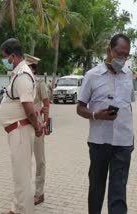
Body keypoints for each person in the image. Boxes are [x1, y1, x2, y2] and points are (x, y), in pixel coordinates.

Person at [77, 33, 134, 214]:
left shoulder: (128, 76)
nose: (122, 59)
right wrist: (96, 114)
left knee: (118, 190)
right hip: (99, 142)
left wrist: (131, 137)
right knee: (96, 187)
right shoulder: (92, 76)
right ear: (108, 50)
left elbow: (128, 106)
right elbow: (80, 108)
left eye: (126, 55)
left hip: (123, 143)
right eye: (119, 53)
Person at [0, 38, 43, 214]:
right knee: (19, 174)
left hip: (21, 130)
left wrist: (38, 127)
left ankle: (24, 211)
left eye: (5, 57)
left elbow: (29, 109)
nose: (4, 60)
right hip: (17, 130)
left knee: (22, 176)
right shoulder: (18, 73)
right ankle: (16, 209)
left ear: (14, 56)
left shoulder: (23, 75)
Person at [24, 54, 50, 205]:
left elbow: (46, 104)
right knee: (24, 159)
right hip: (23, 123)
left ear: (33, 68)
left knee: (40, 160)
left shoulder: (40, 84)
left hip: (38, 124)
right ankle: (25, 190)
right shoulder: (20, 82)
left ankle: (39, 193)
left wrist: (46, 122)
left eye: (29, 67)